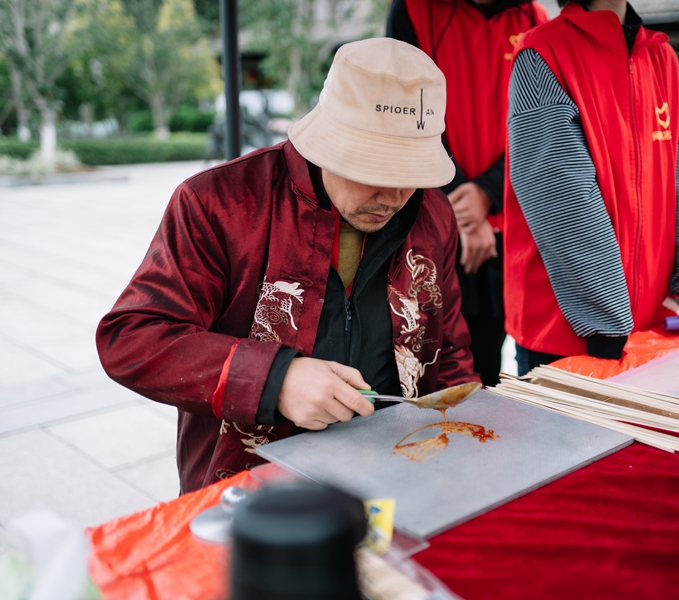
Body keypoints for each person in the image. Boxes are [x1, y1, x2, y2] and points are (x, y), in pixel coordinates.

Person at [96, 38, 479, 494]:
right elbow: (132, 336)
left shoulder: (431, 212)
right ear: (330, 141)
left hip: (398, 472)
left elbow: (450, 352)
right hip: (250, 486)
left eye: (411, 174)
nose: (394, 198)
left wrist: (464, 450)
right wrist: (274, 380)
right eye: (376, 170)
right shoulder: (219, 203)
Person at [505, 0, 679, 374]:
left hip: (646, 322)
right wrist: (606, 320)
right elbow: (561, 197)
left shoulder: (662, 57)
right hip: (570, 331)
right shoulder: (542, 52)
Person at [386, 0, 548, 386]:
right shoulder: (414, 10)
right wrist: (461, 203)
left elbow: (542, 124)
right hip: (435, 219)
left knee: (489, 360)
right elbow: (404, 109)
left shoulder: (534, 18)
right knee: (425, 358)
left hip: (508, 220)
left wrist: (488, 192)